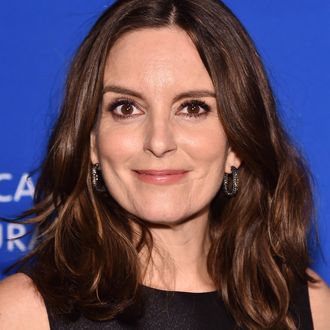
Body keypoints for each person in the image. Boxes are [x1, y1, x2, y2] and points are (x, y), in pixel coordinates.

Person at [0, 0, 329, 329]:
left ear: (236, 143)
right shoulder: (22, 312)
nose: (158, 142)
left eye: (193, 108)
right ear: (92, 141)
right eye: (127, 108)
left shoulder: (306, 305)